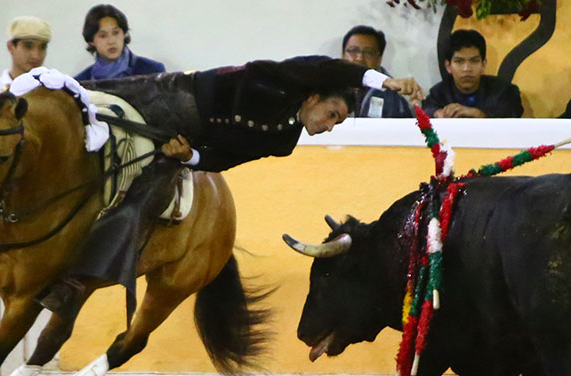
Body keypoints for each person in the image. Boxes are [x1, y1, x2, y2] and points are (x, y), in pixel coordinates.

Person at [38, 55, 424, 315]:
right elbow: (331, 67)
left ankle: (73, 279)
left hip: (184, 136)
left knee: (149, 197)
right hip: (173, 97)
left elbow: (224, 159)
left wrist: (188, 157)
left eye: (335, 124)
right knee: (76, 103)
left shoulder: (282, 142)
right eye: (330, 114)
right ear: (314, 96)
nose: (327, 126)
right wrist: (386, 82)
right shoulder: (285, 80)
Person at [421, 30, 523, 118]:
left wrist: (479, 114)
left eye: (474, 61)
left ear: (483, 64)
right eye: (459, 62)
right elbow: (426, 109)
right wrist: (437, 113)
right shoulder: (439, 93)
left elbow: (513, 110)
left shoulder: (503, 91)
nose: (467, 69)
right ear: (448, 66)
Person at [75, 4, 165, 81]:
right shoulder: (81, 83)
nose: (111, 41)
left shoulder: (153, 72)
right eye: (103, 36)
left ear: (124, 34)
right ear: (91, 42)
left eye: (116, 33)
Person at [340, 25, 412, 118]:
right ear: (342, 55)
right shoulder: (329, 87)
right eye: (354, 50)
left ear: (379, 59)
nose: (360, 58)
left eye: (369, 53)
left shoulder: (394, 94)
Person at [0, 16, 52, 94]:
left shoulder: (53, 92)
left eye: (42, 47)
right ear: (11, 47)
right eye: (28, 46)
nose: (36, 55)